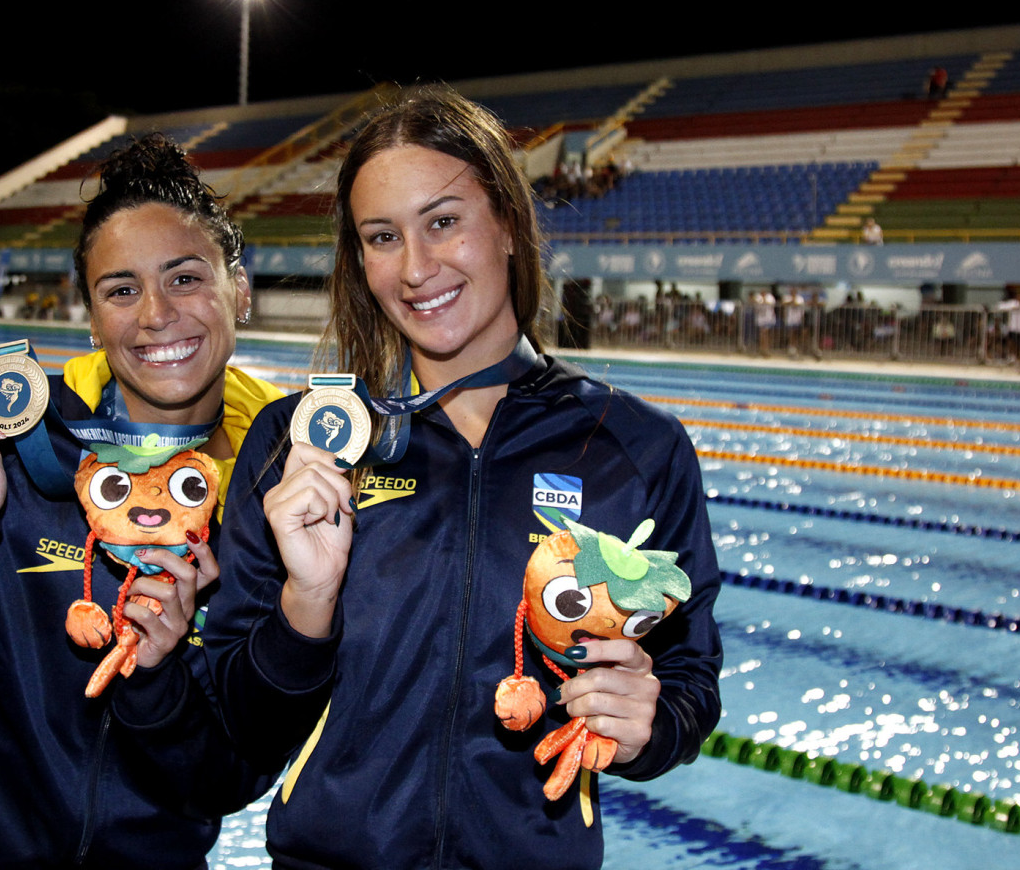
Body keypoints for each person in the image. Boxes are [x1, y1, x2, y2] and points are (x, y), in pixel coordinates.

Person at [203, 89, 722, 870]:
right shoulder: (301, 444)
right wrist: (303, 608)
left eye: (442, 222)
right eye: (383, 237)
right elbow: (237, 718)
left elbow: (687, 676)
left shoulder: (630, 447)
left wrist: (652, 725)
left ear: (507, 223)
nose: (415, 269)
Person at [0, 134, 285, 869]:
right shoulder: (1, 436)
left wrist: (159, 673)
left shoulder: (277, 490)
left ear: (241, 288)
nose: (156, 315)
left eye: (185, 278)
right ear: (92, 314)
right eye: (121, 289)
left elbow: (231, 773)